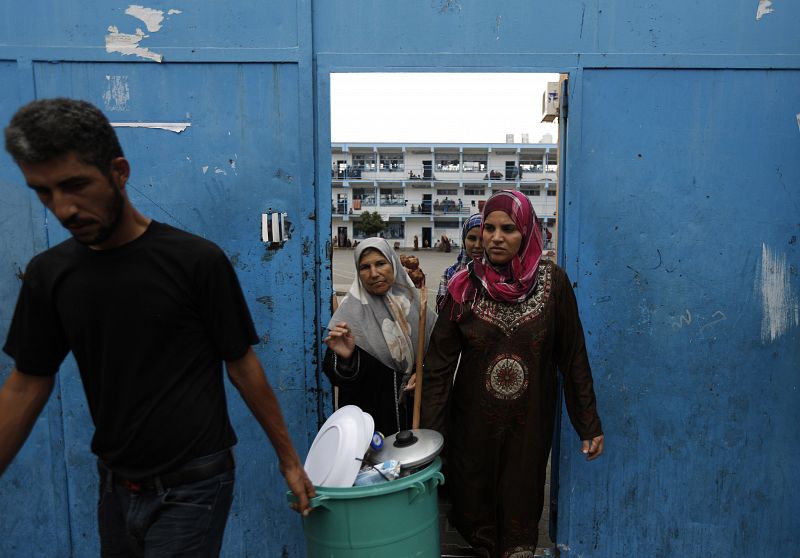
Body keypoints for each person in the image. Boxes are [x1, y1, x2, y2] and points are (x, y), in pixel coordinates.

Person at [0, 98, 315, 556]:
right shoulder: (50, 275)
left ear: (119, 171)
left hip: (194, 484)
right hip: (114, 485)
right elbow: (26, 385)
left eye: (75, 185)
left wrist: (289, 460)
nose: (63, 208)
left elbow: (242, 365)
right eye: (44, 193)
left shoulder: (195, 261)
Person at [421, 190, 604, 558]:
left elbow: (572, 356)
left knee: (520, 508)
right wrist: (431, 436)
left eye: (508, 228)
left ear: (527, 232)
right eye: (489, 228)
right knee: (474, 508)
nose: (495, 237)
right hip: (472, 425)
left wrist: (588, 423)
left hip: (529, 424)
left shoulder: (554, 285)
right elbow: (438, 368)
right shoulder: (463, 287)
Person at [323, 238, 436, 435]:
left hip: (417, 413)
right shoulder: (350, 315)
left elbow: (439, 351)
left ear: (393, 263)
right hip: (375, 420)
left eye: (381, 263)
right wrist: (347, 358)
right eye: (365, 267)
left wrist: (424, 371)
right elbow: (337, 376)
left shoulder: (416, 304)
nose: (374, 274)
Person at [435, 213, 482, 310]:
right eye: (471, 238)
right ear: (464, 240)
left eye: (483, 239)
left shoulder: (503, 276)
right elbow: (442, 312)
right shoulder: (449, 273)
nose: (477, 245)